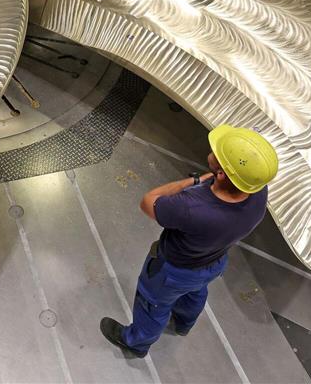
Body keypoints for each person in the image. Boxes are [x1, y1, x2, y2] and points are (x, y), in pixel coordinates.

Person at [100, 124, 278, 357]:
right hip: (213, 263)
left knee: (152, 305)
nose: (213, 149)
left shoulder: (191, 206)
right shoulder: (257, 195)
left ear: (222, 173)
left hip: (173, 271)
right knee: (196, 292)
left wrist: (195, 181)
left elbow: (149, 201)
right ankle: (184, 324)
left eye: (218, 152)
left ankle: (136, 342)